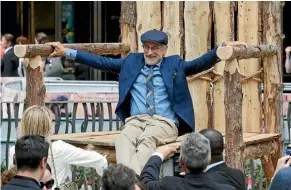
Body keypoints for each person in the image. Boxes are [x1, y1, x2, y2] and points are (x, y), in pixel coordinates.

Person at [47, 29, 246, 175]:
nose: (150, 52)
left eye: (155, 48)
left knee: (147, 140)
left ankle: (126, 181)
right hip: (135, 120)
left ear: (164, 50)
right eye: (147, 48)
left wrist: (220, 50)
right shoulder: (131, 62)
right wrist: (68, 52)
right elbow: (101, 62)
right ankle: (132, 182)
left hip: (164, 122)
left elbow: (198, 64)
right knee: (123, 139)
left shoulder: (173, 64)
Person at [8, 105, 108, 189]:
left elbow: (11, 180)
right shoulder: (58, 148)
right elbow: (101, 162)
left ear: (23, 125)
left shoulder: (14, 150)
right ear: (47, 126)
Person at [140, 132, 235, 190]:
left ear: (181, 162)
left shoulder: (169, 185)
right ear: (209, 160)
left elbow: (146, 182)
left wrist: (158, 155)